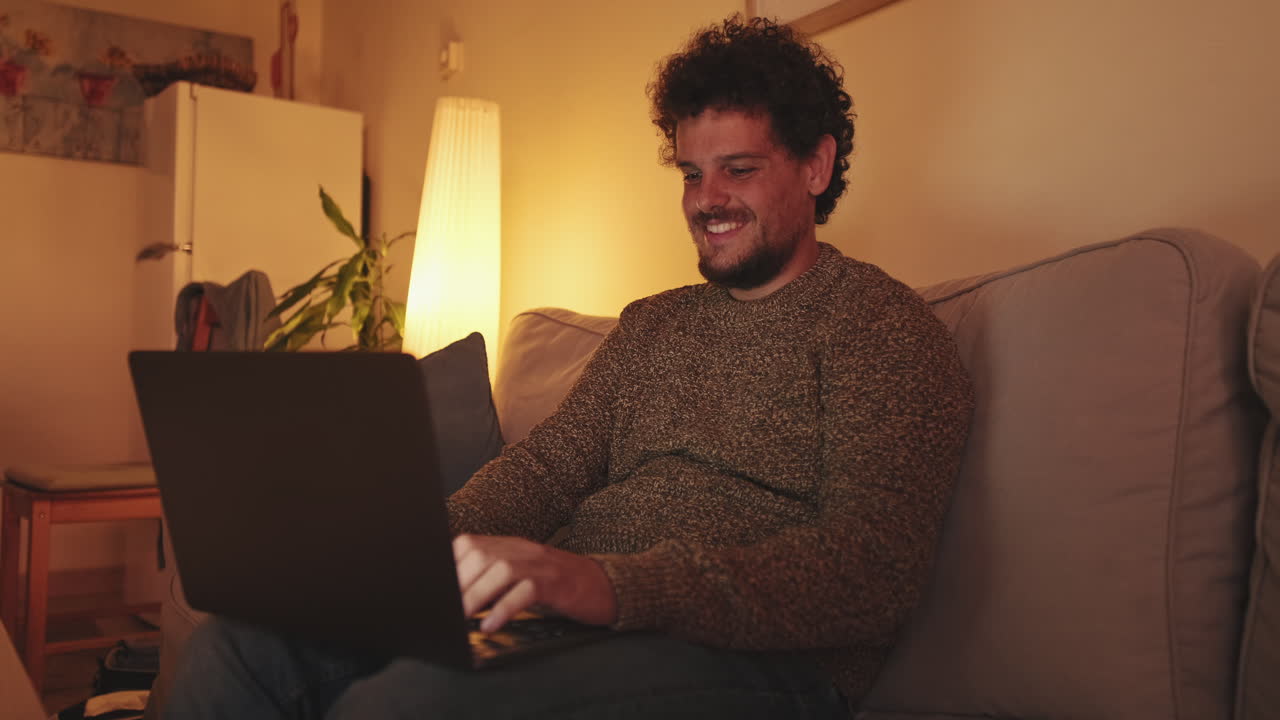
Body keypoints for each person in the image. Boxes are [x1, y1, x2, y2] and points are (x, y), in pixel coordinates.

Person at [164, 14, 973, 719]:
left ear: (816, 166)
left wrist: (607, 585)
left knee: (409, 704)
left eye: (740, 168)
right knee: (242, 647)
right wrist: (408, 554)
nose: (706, 198)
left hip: (762, 666)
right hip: (572, 628)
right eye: (691, 173)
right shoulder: (655, 324)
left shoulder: (883, 329)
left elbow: (871, 570)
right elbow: (545, 471)